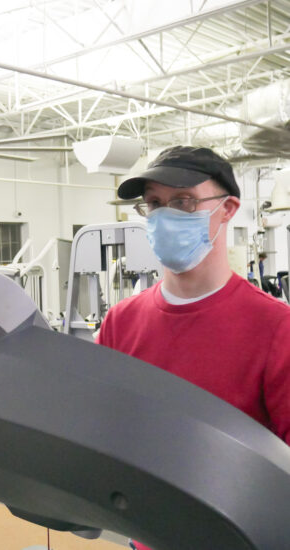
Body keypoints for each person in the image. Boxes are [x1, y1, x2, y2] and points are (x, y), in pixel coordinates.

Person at [95, 146, 290, 550]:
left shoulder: (276, 327)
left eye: (183, 201)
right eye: (153, 204)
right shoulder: (119, 322)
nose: (165, 216)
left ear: (228, 208)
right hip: (146, 539)